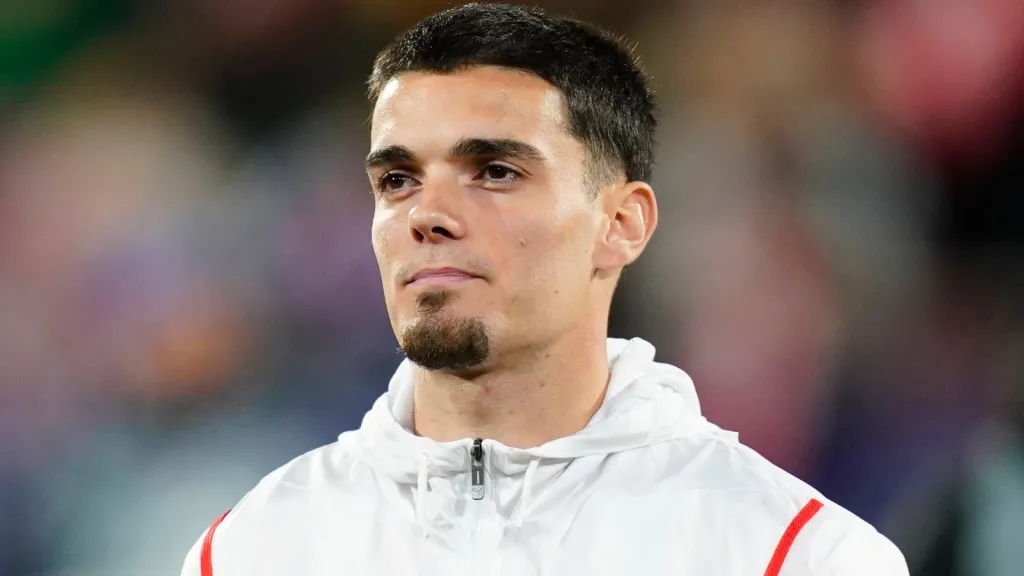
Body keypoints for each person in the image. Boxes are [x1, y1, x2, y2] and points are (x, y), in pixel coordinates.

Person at [181, 3, 909, 574]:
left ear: (621, 222)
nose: (426, 215)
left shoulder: (792, 555)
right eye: (397, 180)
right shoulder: (254, 551)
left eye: (495, 172)